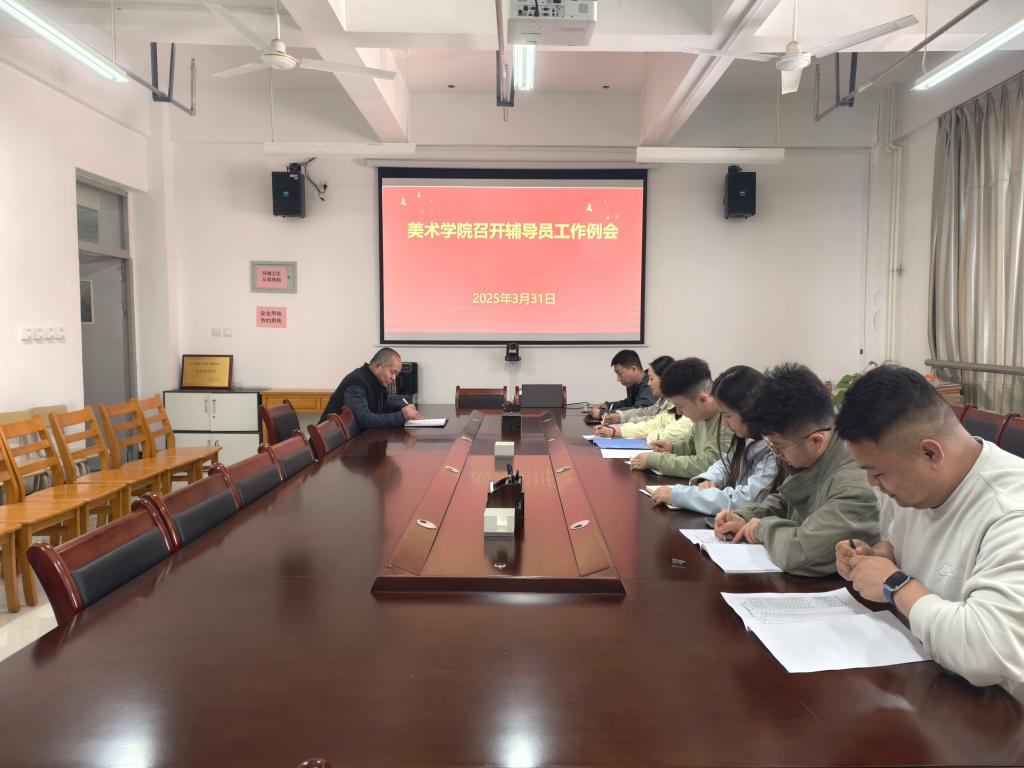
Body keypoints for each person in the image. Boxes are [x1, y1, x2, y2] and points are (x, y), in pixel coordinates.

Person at [834, 365, 1024, 697]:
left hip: (996, 710)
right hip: (928, 678)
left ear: (930, 452)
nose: (872, 483)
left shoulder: (1010, 510)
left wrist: (894, 584)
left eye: (877, 472)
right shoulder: (919, 488)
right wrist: (877, 556)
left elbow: (987, 652)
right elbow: (904, 547)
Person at [714, 362, 877, 576]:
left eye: (778, 447)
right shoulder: (814, 454)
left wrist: (761, 527)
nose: (776, 454)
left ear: (815, 441)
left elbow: (800, 553)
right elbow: (787, 500)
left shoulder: (856, 485)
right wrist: (746, 516)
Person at [649, 365, 779, 515]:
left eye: (727, 415)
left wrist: (681, 496)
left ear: (750, 411)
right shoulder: (748, 437)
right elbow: (726, 463)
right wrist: (709, 479)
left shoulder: (775, 449)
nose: (723, 422)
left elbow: (747, 500)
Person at [629, 357, 733, 478]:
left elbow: (707, 465)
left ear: (702, 400)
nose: (678, 412)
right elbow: (691, 446)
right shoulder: (700, 416)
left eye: (680, 406)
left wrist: (656, 461)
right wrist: (673, 448)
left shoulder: (727, 421)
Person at [319, 348, 423, 436]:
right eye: (392, 372)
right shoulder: (357, 382)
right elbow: (365, 420)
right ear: (378, 365)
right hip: (329, 446)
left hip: (351, 440)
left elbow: (383, 407)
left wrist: (403, 409)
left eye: (396, 374)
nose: (394, 378)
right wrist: (402, 416)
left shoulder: (377, 381)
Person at [595, 356, 693, 444]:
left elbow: (677, 430)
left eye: (651, 379)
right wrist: (617, 428)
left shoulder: (686, 406)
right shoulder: (666, 401)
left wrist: (650, 437)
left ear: (665, 379)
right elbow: (653, 422)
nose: (649, 383)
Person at [587, 350, 657, 419]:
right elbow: (628, 403)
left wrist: (603, 413)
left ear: (633, 369)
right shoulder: (633, 383)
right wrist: (608, 405)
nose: (618, 379)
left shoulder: (650, 385)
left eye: (620, 374)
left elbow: (639, 410)